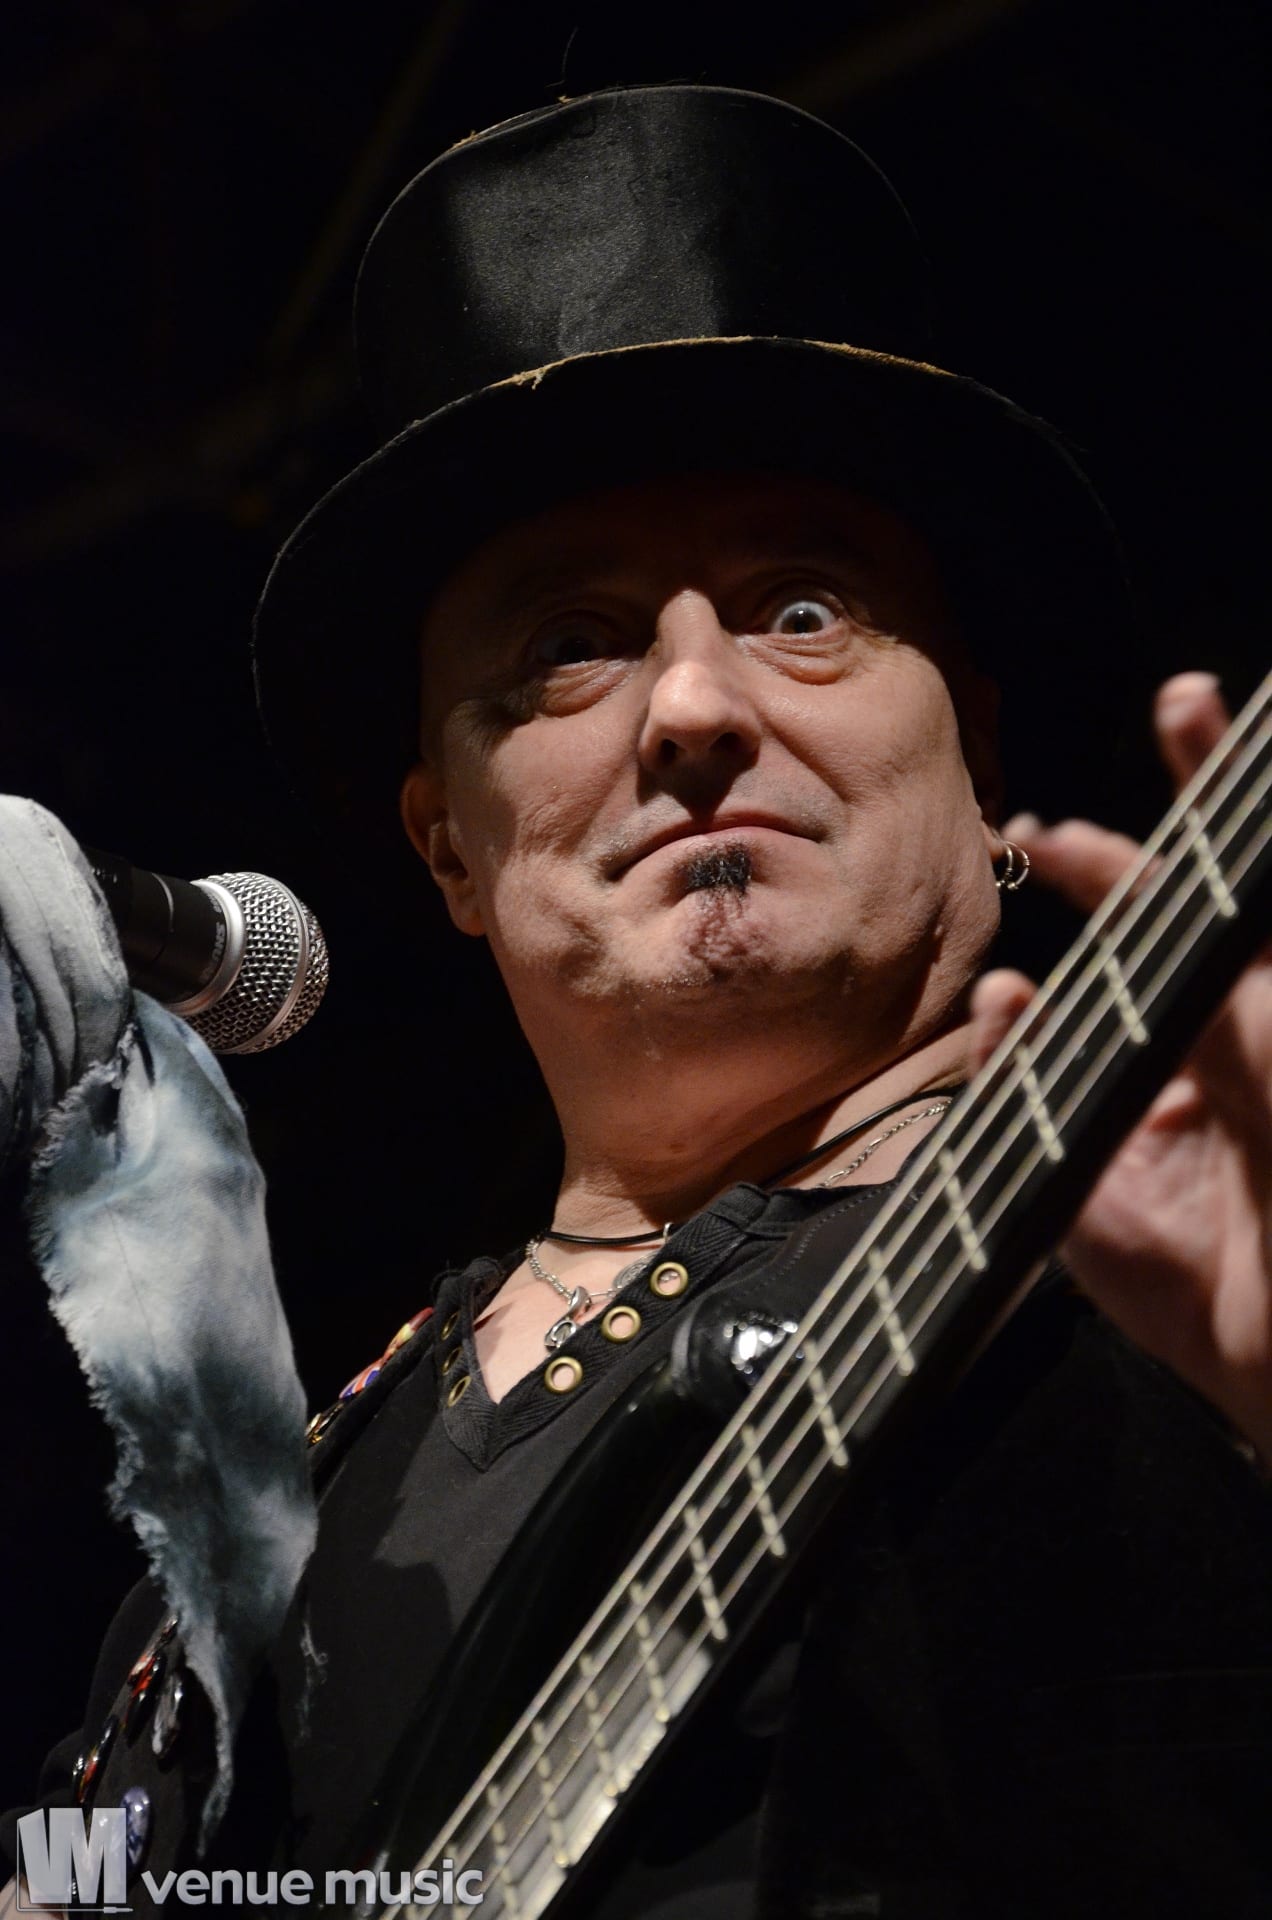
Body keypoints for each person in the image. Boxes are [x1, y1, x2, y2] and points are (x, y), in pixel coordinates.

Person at [4, 83, 1271, 1920]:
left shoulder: (1182, 1264)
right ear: (449, 850)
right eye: (571, 646)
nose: (693, 708)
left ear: (978, 750)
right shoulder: (258, 1520)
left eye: (803, 607)